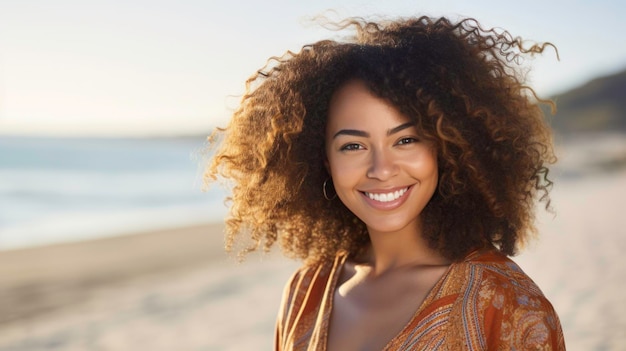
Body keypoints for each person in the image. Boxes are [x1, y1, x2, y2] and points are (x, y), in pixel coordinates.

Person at [205, 15, 565, 350]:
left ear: (448, 147)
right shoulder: (306, 291)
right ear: (324, 161)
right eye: (353, 145)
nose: (381, 168)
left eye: (406, 140)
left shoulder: (507, 304)